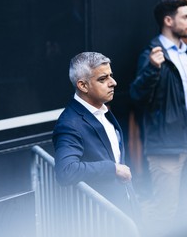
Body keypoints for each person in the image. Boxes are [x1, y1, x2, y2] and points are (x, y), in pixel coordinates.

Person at [129, 0, 187, 237]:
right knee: (165, 212)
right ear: (168, 21)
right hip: (166, 146)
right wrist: (151, 69)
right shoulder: (151, 55)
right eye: (185, 17)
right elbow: (137, 96)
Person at [53, 51, 138, 219]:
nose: (113, 83)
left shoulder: (103, 110)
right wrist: (112, 169)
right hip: (101, 218)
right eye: (102, 79)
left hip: (124, 207)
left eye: (111, 76)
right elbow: (66, 171)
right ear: (83, 85)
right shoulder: (69, 124)